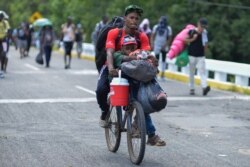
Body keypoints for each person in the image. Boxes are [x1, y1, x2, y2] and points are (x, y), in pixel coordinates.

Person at [96, 5, 166, 146]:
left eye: (136, 18)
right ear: (125, 19)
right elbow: (110, 53)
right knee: (101, 89)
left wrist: (153, 62)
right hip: (113, 66)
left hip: (132, 69)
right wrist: (110, 68)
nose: (134, 21)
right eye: (131, 17)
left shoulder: (142, 36)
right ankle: (105, 111)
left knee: (141, 99)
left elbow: (146, 56)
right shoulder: (115, 33)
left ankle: (148, 132)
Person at [185, 18, 210, 96]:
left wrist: (205, 53)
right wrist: (193, 38)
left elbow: (205, 44)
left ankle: (204, 87)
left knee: (202, 72)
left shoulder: (205, 33)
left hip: (201, 56)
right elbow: (185, 40)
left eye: (204, 27)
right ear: (198, 24)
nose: (202, 28)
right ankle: (192, 88)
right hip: (191, 55)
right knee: (192, 73)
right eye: (201, 26)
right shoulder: (192, 31)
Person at [151, 16, 172, 80]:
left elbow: (170, 38)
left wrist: (166, 45)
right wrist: (152, 44)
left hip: (164, 45)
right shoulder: (156, 27)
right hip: (157, 44)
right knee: (156, 60)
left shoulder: (168, 28)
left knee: (163, 60)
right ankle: (156, 73)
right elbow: (153, 36)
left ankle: (162, 74)